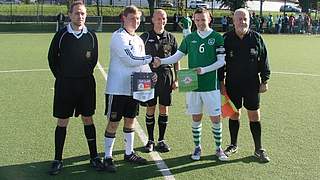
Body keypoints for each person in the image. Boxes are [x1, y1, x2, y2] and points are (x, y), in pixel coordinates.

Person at [153, 7, 228, 161]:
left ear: (210, 19)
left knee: (215, 118)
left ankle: (218, 148)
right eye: (197, 19)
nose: (200, 22)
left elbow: (221, 62)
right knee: (196, 117)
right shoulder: (189, 38)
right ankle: (197, 147)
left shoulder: (217, 37)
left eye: (203, 19)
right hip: (192, 84)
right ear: (194, 20)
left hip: (210, 86)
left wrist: (204, 70)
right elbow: (177, 56)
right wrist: (162, 61)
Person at [47, 1, 104, 175]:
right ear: (70, 15)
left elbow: (93, 59)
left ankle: (94, 157)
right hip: (65, 85)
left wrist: (82, 74)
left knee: (88, 119)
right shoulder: (61, 35)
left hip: (86, 85)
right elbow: (52, 58)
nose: (80, 16)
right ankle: (58, 159)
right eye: (77, 13)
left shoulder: (91, 35)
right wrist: (63, 77)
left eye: (83, 14)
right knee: (62, 121)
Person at [103, 5, 157, 172]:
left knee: (131, 120)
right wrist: (151, 58)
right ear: (124, 18)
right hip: (117, 88)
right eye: (133, 18)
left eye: (138, 19)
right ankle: (107, 156)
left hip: (134, 88)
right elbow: (130, 59)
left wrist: (150, 76)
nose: (136, 21)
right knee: (113, 122)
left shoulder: (139, 40)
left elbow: (141, 64)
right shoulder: (118, 37)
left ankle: (129, 152)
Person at [218, 8, 271, 163]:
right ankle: (233, 145)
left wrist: (265, 80)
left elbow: (264, 60)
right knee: (234, 114)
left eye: (245, 19)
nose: (242, 22)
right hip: (232, 83)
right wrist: (221, 82)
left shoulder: (256, 38)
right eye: (239, 19)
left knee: (254, 115)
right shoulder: (226, 38)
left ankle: (258, 148)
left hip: (252, 84)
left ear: (249, 20)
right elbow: (221, 64)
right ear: (233, 21)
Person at [140, 9, 179, 153]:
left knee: (164, 108)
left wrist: (176, 78)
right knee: (150, 108)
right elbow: (138, 58)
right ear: (152, 20)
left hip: (166, 76)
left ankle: (161, 140)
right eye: (158, 18)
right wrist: (146, 74)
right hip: (148, 77)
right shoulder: (144, 37)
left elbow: (176, 60)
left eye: (163, 18)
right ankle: (150, 140)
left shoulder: (171, 37)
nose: (161, 21)